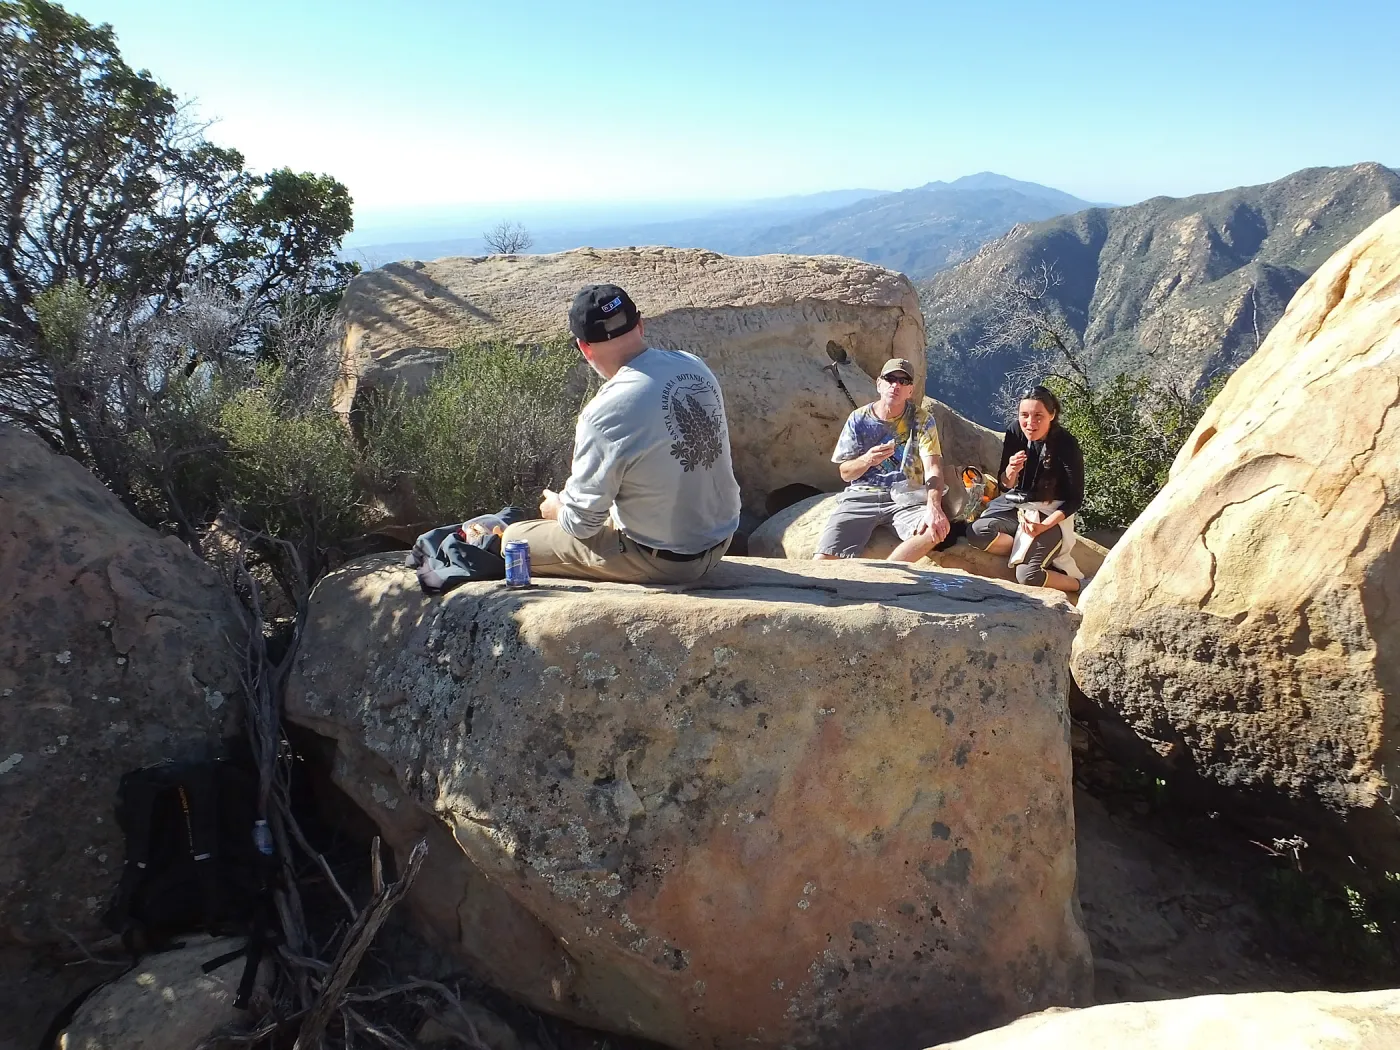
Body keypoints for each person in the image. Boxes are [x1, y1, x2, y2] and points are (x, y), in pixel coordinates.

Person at [501, 284, 740, 583]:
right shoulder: (692, 365)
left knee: (514, 538)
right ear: (640, 324)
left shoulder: (605, 410)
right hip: (720, 540)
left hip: (668, 562)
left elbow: (581, 525)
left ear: (584, 347)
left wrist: (556, 509)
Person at [814, 358, 950, 561]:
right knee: (823, 560)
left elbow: (933, 468)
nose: (896, 385)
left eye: (903, 381)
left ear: (910, 390)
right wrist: (867, 460)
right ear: (879, 384)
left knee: (934, 529)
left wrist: (934, 506)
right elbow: (845, 473)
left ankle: (889, 575)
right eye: (890, 379)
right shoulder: (858, 419)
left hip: (906, 497)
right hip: (862, 496)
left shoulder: (922, 420)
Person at [966, 384, 1085, 593]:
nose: (1030, 423)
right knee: (977, 532)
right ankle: (1025, 545)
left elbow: (1075, 499)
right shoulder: (1015, 431)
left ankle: (1079, 585)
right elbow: (1005, 485)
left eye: (1038, 416)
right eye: (1024, 415)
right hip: (1017, 505)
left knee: (1028, 575)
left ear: (1052, 414)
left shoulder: (1066, 444)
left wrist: (1044, 527)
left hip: (1048, 512)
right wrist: (1011, 470)